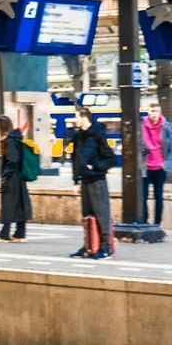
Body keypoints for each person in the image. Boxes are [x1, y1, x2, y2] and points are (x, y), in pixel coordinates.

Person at [66, 107, 116, 258]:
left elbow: (111, 159)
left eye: (76, 117)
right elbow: (75, 160)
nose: (75, 120)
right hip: (85, 181)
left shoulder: (98, 135)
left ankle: (106, 246)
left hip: (97, 180)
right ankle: (88, 245)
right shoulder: (78, 136)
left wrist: (94, 166)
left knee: (102, 214)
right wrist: (76, 181)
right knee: (87, 215)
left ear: (84, 117)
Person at [141, 110, 172, 227]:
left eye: (156, 111)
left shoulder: (166, 127)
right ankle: (144, 221)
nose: (154, 114)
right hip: (145, 167)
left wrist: (166, 163)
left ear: (160, 113)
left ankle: (157, 223)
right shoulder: (142, 126)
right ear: (148, 113)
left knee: (158, 196)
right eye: (151, 112)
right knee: (143, 195)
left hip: (160, 167)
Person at [0, 115, 30, 242]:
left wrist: (6, 175)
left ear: (2, 126)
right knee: (19, 204)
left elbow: (13, 160)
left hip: (12, 178)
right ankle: (19, 233)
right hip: (18, 177)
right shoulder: (15, 139)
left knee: (8, 205)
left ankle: (4, 234)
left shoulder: (9, 141)